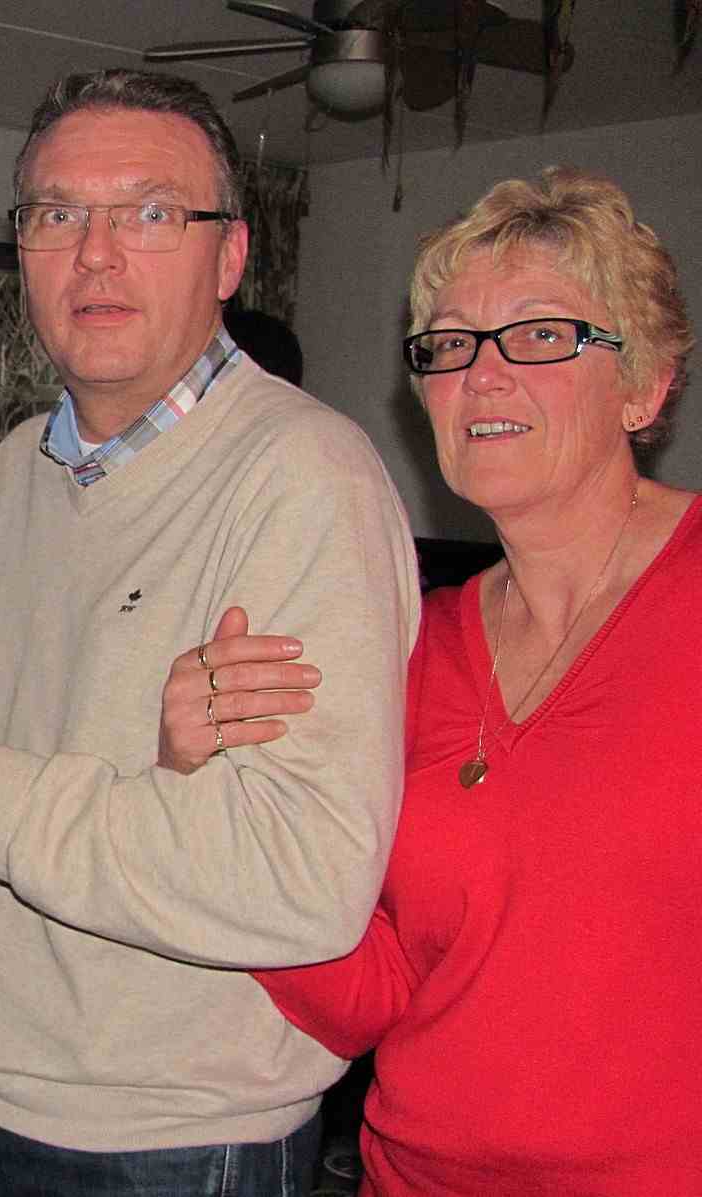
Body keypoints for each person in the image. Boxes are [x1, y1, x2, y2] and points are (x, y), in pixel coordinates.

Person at [0, 70, 421, 1195]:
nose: (95, 255)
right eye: (57, 214)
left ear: (229, 256)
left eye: (148, 212)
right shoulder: (16, 466)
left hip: (159, 1137)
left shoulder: (305, 478)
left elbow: (298, 880)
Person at [162, 167, 700, 1194]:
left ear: (644, 386)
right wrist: (214, 798)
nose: (481, 376)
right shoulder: (412, 648)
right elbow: (370, 990)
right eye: (449, 345)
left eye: (540, 334)